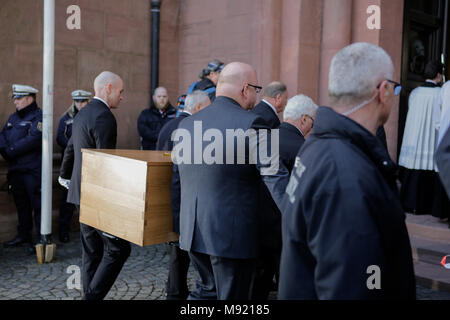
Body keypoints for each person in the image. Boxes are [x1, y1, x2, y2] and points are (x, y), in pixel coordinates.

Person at [278, 43, 416, 299]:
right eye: (394, 88)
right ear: (383, 90)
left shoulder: (317, 145)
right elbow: (352, 286)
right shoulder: (346, 174)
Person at [176, 62, 289, 300]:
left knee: (206, 293)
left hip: (193, 231)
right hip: (230, 236)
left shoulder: (186, 125)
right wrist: (305, 218)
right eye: (256, 89)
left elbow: (181, 177)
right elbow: (275, 177)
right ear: (245, 89)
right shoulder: (252, 123)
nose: (256, 97)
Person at [61, 71, 130, 300]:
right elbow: (104, 163)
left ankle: (89, 297)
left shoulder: (82, 113)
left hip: (80, 193)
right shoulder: (104, 116)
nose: (122, 97)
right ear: (108, 88)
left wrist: (64, 176)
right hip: (96, 197)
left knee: (91, 252)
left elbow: (70, 148)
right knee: (119, 249)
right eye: (120, 92)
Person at [156, 90, 211, 300]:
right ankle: (177, 292)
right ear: (197, 108)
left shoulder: (169, 125)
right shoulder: (191, 129)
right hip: (183, 199)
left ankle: (175, 290)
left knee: (179, 253)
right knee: (184, 253)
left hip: (168, 196)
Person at [250, 81, 288, 300]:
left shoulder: (258, 112)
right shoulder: (267, 118)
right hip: (265, 198)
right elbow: (270, 166)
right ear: (279, 98)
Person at [398, 60, 444, 215]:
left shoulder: (415, 93)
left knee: (413, 166)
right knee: (428, 165)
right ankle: (426, 205)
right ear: (438, 75)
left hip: (414, 135)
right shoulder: (440, 93)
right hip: (430, 137)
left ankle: (409, 203)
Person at [0, 84, 42, 252]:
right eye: (14, 98)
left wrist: (10, 150)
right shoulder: (13, 118)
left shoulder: (38, 117)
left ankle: (40, 239)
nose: (15, 101)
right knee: (22, 206)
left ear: (29, 98)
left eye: (18, 98)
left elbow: (33, 139)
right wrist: (5, 150)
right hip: (16, 170)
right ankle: (23, 235)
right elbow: (2, 135)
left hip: (31, 171)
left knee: (37, 206)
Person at [56, 90, 91, 243]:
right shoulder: (66, 118)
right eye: (77, 101)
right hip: (70, 165)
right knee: (67, 201)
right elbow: (60, 138)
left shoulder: (91, 117)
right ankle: (63, 230)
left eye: (82, 101)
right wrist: (75, 147)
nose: (79, 104)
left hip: (87, 163)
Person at [279, 94, 318, 173]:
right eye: (312, 123)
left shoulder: (267, 137)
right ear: (304, 119)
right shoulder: (303, 148)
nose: (311, 127)